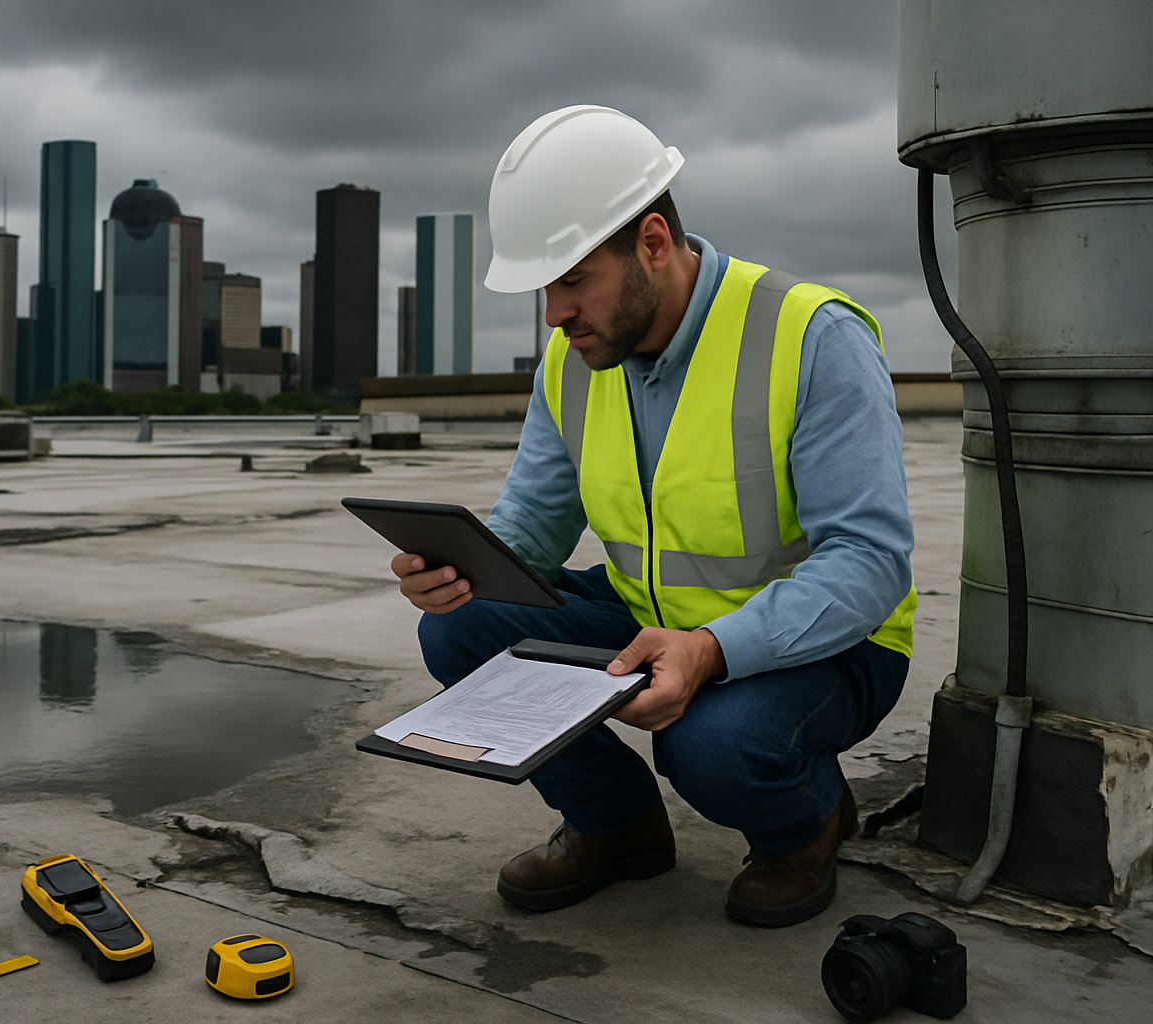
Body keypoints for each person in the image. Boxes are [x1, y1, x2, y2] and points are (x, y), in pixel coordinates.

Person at [391, 105, 916, 928]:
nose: (555, 313)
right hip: (651, 618)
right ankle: (617, 824)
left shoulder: (812, 335)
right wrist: (461, 566)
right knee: (460, 630)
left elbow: (870, 563)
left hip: (829, 644)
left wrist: (712, 650)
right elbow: (532, 526)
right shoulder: (574, 362)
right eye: (544, 288)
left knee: (709, 744)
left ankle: (806, 821)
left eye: (572, 279)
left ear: (654, 244)